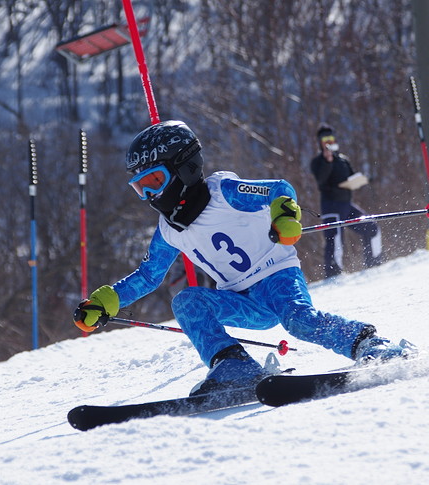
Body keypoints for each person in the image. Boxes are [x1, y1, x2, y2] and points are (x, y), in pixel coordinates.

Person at [73, 120, 408, 395]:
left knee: (297, 320)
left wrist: (284, 216)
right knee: (187, 301)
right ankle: (233, 365)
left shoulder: (225, 193)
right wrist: (106, 301)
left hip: (277, 275)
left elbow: (278, 188)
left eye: (155, 181)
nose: (149, 195)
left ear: (183, 167)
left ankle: (368, 342)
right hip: (241, 299)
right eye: (140, 188)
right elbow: (148, 275)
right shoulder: (169, 229)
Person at [310, 123, 382, 278]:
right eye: (324, 138)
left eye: (331, 137)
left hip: (346, 205)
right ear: (319, 142)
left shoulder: (343, 160)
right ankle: (334, 274)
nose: (328, 141)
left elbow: (352, 177)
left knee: (371, 227)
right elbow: (321, 181)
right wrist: (327, 162)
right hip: (331, 206)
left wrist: (364, 180)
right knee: (335, 240)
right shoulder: (317, 162)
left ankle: (373, 264)